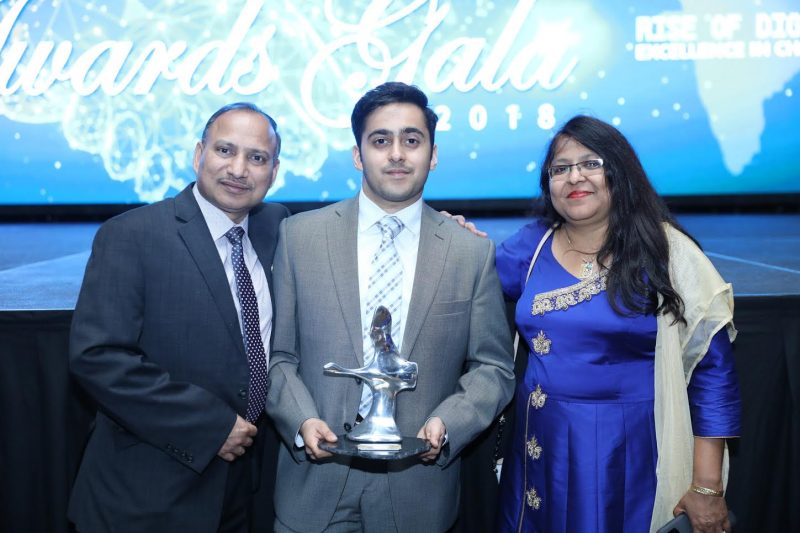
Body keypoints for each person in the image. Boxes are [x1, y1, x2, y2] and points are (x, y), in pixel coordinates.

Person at [265, 81, 515, 532]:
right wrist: (301, 419)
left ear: (432, 154)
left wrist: (449, 422)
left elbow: (493, 368)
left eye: (411, 140)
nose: (396, 154)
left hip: (418, 492)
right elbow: (278, 356)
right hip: (314, 487)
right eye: (381, 141)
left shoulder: (469, 251)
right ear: (359, 155)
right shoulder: (300, 236)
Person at [494, 115, 741, 533]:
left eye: (591, 163)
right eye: (560, 168)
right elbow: (467, 274)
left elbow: (712, 372)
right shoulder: (530, 247)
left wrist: (706, 487)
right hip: (541, 453)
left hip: (630, 454)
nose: (575, 176)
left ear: (619, 172)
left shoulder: (665, 253)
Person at [68, 102, 289, 532]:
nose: (239, 169)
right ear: (197, 155)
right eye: (225, 151)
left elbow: (348, 237)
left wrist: (448, 227)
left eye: (256, 157)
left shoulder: (277, 226)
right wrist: (213, 425)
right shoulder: (131, 235)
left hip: (247, 494)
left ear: (274, 171)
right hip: (148, 497)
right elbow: (98, 357)